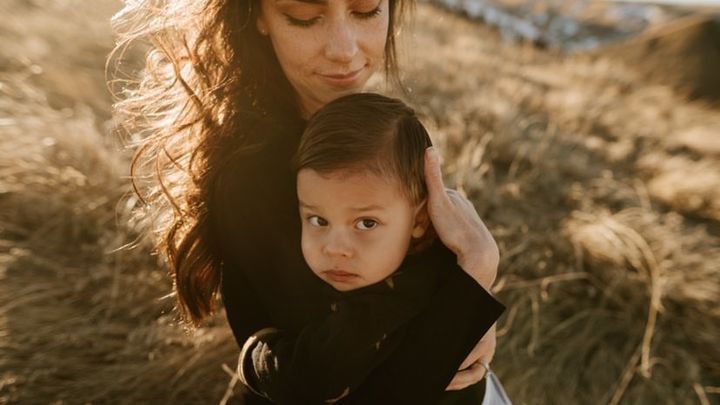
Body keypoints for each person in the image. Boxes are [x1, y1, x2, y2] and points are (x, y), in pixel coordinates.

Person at [112, 0, 505, 404]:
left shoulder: (357, 129)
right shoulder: (259, 179)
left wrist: (465, 306)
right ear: (257, 16)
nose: (344, 50)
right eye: (305, 17)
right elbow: (362, 389)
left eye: (366, 10)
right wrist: (476, 270)